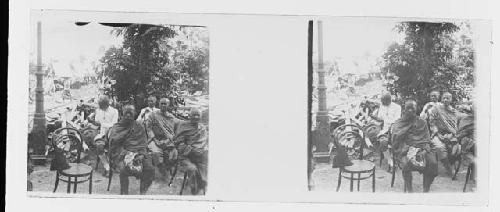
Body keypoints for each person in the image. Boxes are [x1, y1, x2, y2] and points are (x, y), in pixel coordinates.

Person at [390, 99, 438, 192]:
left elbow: (427, 139)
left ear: (416, 109)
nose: (410, 111)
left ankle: (426, 189)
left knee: (433, 163)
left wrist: (423, 150)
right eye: (408, 108)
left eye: (413, 108)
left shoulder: (422, 122)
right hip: (405, 149)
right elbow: (396, 140)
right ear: (404, 110)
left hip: (422, 148)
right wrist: (408, 149)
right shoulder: (399, 123)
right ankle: (410, 190)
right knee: (405, 164)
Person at [108, 105, 154, 195]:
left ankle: (143, 192)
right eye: (126, 113)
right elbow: (114, 145)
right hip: (122, 154)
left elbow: (143, 143)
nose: (128, 115)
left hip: (139, 153)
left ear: (134, 114)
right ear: (122, 114)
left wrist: (141, 155)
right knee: (123, 170)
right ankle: (124, 195)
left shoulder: (139, 126)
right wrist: (127, 154)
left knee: (150, 169)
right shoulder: (117, 127)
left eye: (130, 113)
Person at [173, 108, 208, 195]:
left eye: (198, 115)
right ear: (189, 116)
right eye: (194, 115)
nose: (196, 117)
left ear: (201, 117)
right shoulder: (183, 126)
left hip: (199, 155)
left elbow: (204, 142)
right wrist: (191, 150)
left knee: (207, 167)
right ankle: (193, 189)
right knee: (192, 169)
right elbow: (179, 144)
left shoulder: (202, 128)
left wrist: (200, 150)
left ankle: (202, 184)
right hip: (185, 156)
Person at [146, 98, 180, 176]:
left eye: (165, 104)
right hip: (154, 139)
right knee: (155, 152)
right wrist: (155, 139)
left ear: (168, 105)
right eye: (162, 103)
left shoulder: (171, 117)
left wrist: (167, 140)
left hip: (168, 140)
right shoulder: (153, 115)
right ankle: (162, 169)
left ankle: (167, 167)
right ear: (159, 104)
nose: (163, 105)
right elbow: (149, 128)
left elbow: (171, 131)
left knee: (174, 154)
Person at [428, 92, 459, 176]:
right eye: (444, 98)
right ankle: (448, 168)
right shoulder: (436, 108)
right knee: (439, 147)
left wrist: (451, 135)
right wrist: (438, 134)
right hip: (437, 133)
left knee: (456, 148)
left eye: (448, 98)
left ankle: (451, 164)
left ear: (451, 100)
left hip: (451, 135)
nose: (445, 100)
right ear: (441, 99)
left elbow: (456, 126)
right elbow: (432, 123)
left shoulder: (454, 112)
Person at [369, 93, 401, 170]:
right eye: (382, 102)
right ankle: (390, 161)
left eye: (383, 102)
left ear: (389, 100)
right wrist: (374, 118)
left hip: (394, 130)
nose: (382, 103)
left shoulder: (397, 107)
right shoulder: (382, 106)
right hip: (384, 130)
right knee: (383, 142)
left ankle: (395, 159)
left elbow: (396, 121)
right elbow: (380, 119)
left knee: (395, 143)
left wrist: (383, 120)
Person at [93, 95, 119, 176]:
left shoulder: (114, 111)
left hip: (112, 134)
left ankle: (114, 164)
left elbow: (114, 125)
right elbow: (96, 121)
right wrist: (93, 121)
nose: (100, 107)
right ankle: (107, 167)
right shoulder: (99, 111)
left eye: (102, 106)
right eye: (100, 106)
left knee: (116, 147)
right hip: (102, 135)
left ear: (107, 104)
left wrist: (102, 124)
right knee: (99, 147)